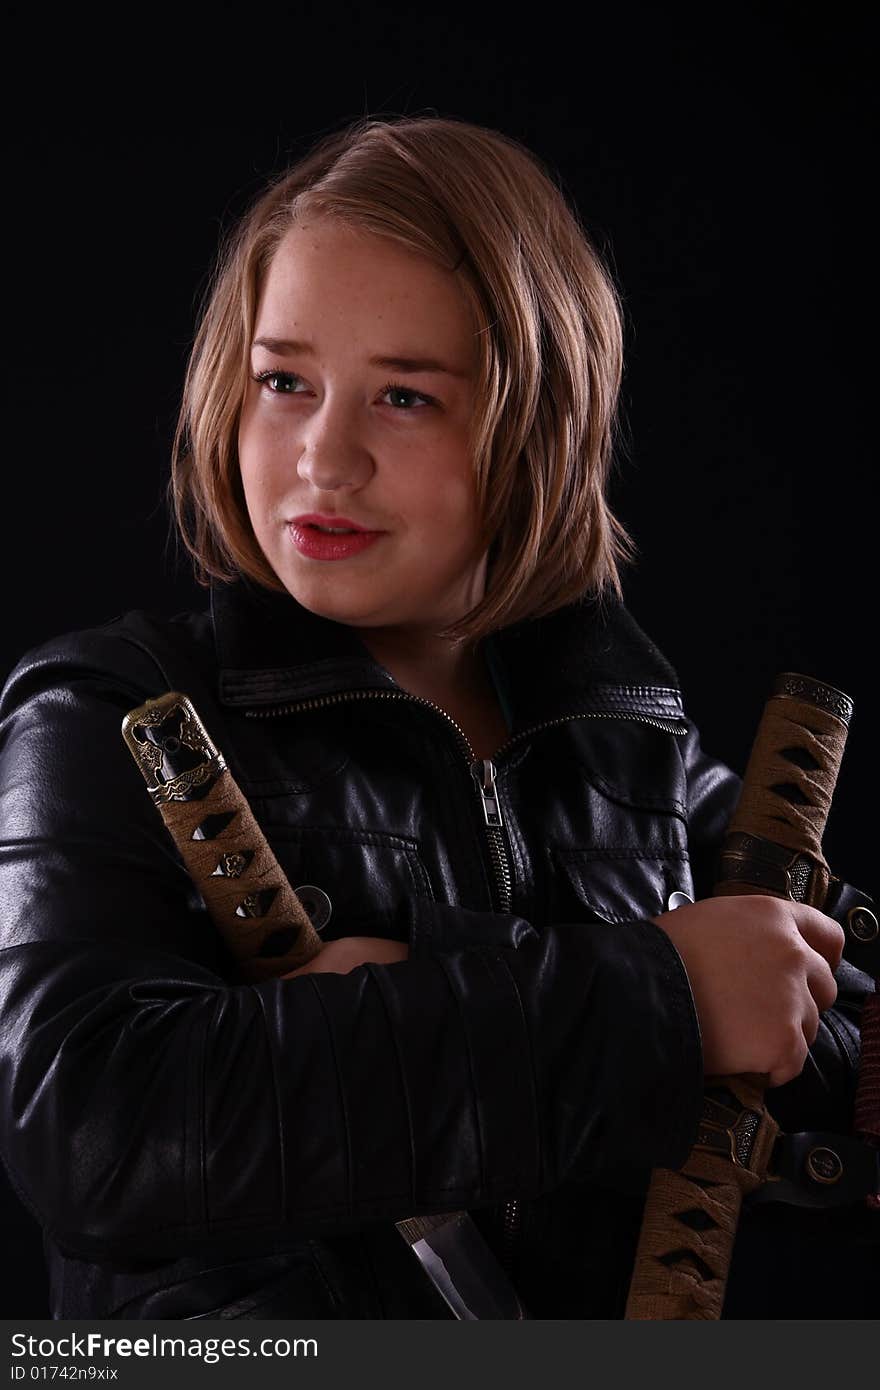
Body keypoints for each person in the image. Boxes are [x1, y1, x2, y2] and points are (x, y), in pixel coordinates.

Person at [0, 114, 874, 1321]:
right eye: (284, 381)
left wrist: (438, 981)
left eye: (405, 396)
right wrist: (651, 1000)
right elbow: (95, 1128)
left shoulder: (638, 760)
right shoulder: (107, 711)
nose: (323, 456)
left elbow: (831, 1044)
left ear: (538, 426)